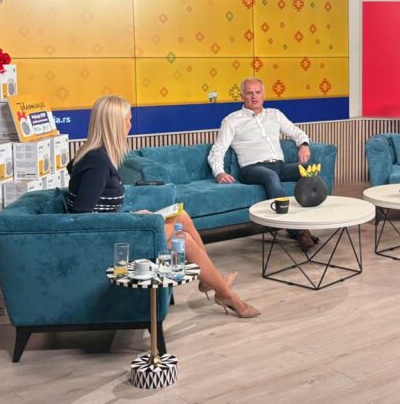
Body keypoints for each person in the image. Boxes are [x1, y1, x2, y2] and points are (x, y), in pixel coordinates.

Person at [67, 95, 260, 318]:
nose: (130, 124)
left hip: (118, 226)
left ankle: (211, 280)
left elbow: (98, 206)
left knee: (181, 215)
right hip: (111, 238)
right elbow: (81, 218)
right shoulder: (97, 162)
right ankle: (226, 294)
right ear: (115, 124)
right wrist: (132, 220)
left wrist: (133, 214)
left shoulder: (96, 155)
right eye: (128, 120)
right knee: (182, 239)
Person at [209, 78, 319, 252]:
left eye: (258, 92)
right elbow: (218, 149)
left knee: (309, 170)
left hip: (280, 166)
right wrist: (219, 172)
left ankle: (314, 220)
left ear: (264, 95)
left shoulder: (275, 114)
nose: (254, 97)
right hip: (252, 169)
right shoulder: (231, 120)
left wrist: (304, 145)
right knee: (270, 176)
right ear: (242, 96)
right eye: (249, 93)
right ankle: (297, 232)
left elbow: (296, 132)